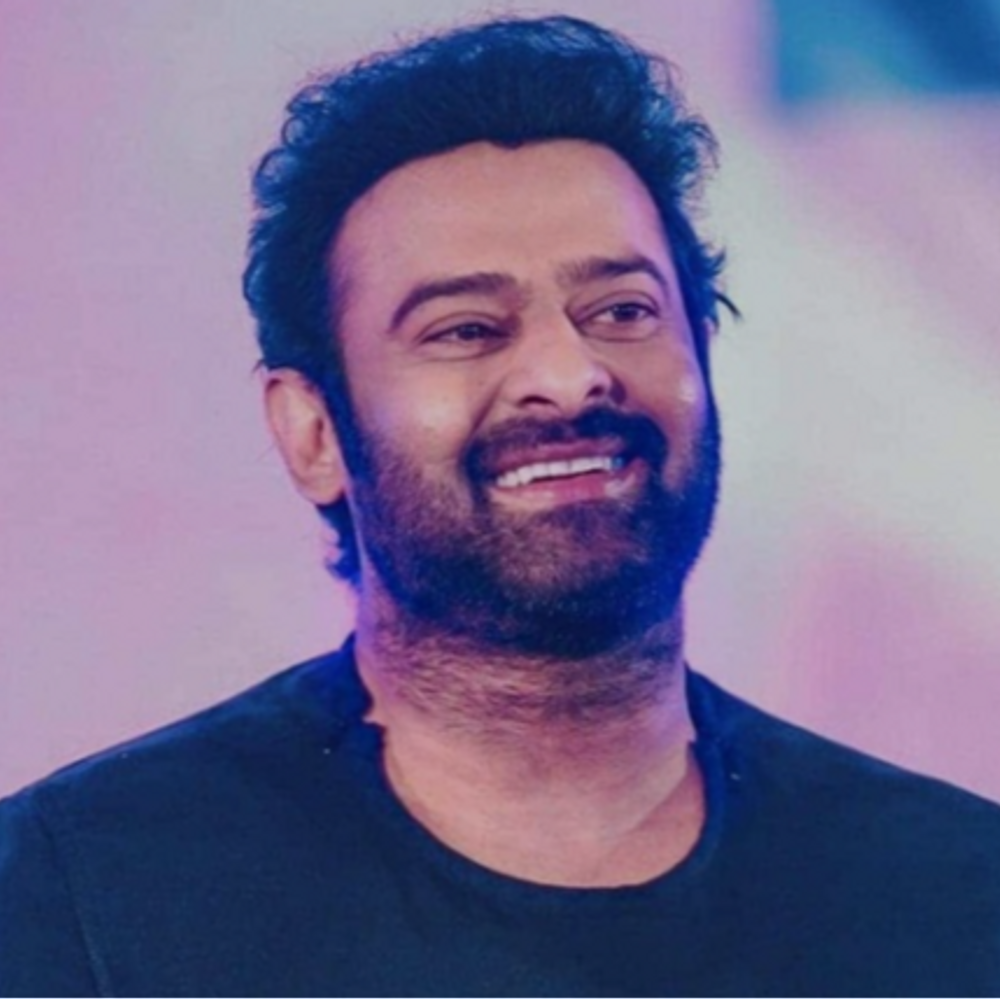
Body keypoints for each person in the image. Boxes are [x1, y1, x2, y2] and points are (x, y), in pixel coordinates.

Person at [2, 15, 998, 998]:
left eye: (622, 312)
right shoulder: (80, 896)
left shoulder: (951, 893)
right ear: (313, 433)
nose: (569, 376)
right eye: (467, 328)